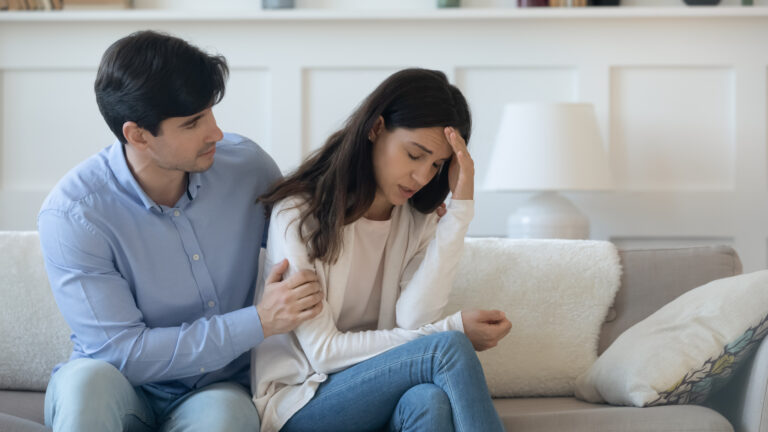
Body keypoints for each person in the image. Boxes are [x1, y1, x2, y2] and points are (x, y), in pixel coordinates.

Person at [37, 30, 324, 432]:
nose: (216, 133)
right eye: (193, 123)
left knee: (228, 417)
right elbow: (124, 353)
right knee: (86, 385)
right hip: (118, 384)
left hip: (215, 389)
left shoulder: (249, 169)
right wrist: (258, 321)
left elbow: (314, 243)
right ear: (138, 135)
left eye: (210, 113)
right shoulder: (73, 214)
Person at [252, 68, 512, 432]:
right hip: (299, 401)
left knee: (429, 400)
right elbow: (323, 353)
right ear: (376, 128)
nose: (422, 177)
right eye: (414, 154)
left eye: (436, 165)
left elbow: (413, 319)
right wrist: (451, 328)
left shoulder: (416, 219)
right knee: (448, 346)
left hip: (379, 389)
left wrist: (460, 212)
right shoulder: (298, 215)